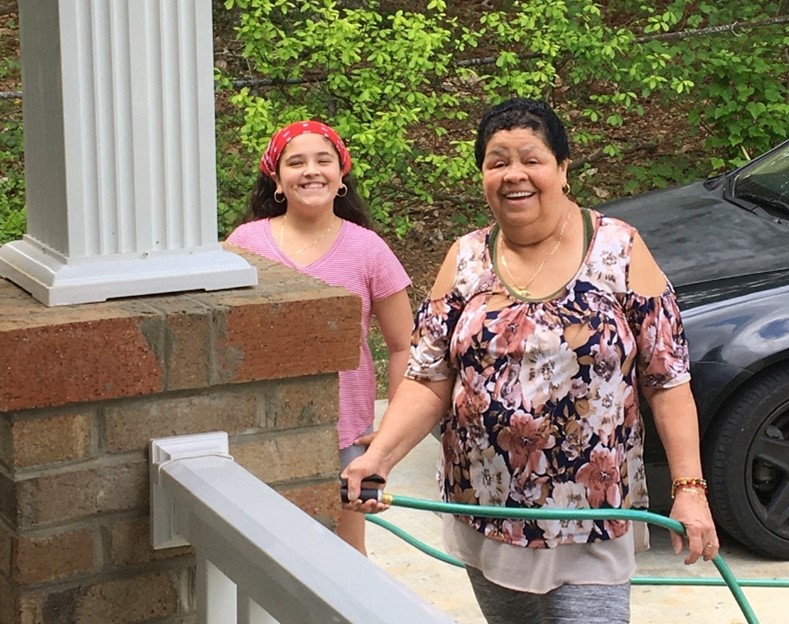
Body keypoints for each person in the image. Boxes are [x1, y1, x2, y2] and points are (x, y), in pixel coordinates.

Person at [342, 98, 717, 623]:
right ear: (482, 176)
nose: (514, 174)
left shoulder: (619, 249)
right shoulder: (467, 257)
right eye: (497, 162)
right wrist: (378, 458)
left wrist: (690, 490)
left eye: (531, 159)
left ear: (563, 169)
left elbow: (668, 381)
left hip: (591, 517)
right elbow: (427, 378)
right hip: (486, 510)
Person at [226, 120, 413, 556]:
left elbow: (405, 345)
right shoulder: (244, 244)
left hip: (348, 436)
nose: (311, 171)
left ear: (341, 172)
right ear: (276, 178)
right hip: (261, 429)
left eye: (323, 160)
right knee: (271, 550)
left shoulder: (369, 249)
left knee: (346, 556)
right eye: (296, 162)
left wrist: (390, 431)